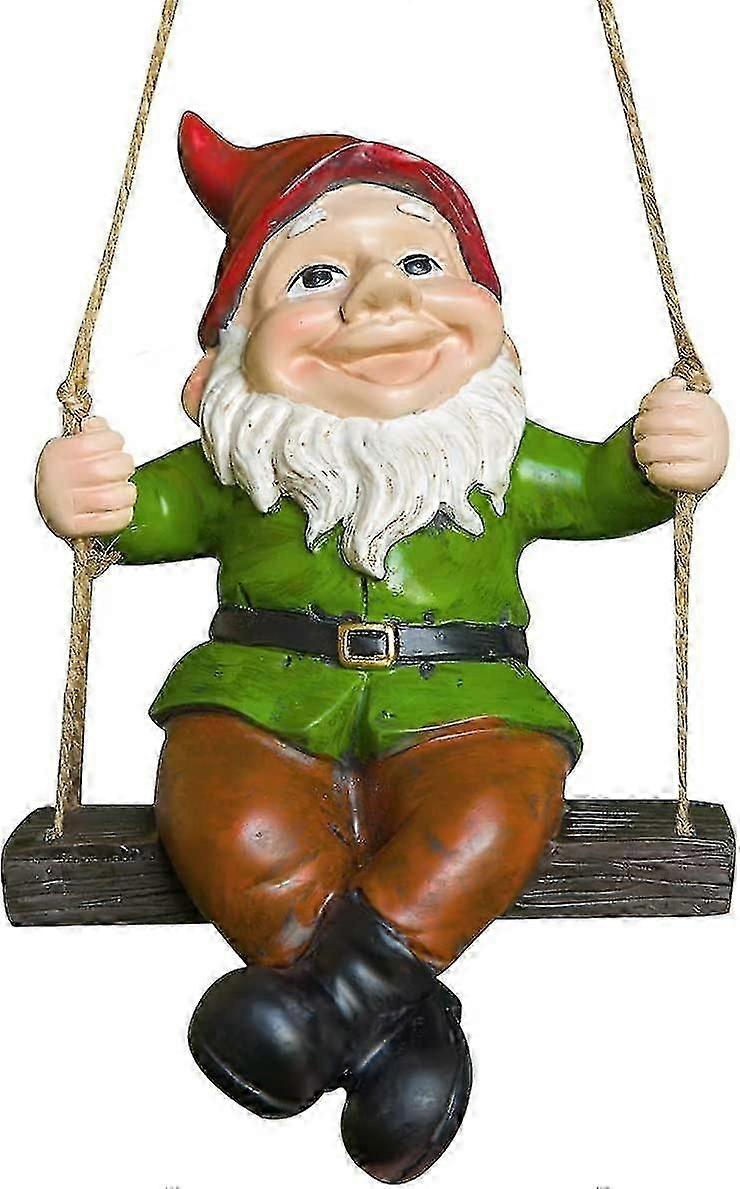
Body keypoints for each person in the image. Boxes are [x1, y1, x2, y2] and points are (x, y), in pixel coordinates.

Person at [35, 113, 729, 1184]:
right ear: (232, 348)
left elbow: (605, 486)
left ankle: (323, 1006)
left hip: (468, 705)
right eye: (315, 276)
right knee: (227, 812)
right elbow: (135, 515)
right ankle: (394, 1025)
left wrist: (663, 458)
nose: (381, 302)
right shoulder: (235, 473)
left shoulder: (503, 460)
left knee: (493, 807)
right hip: (257, 700)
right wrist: (88, 496)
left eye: (419, 262)